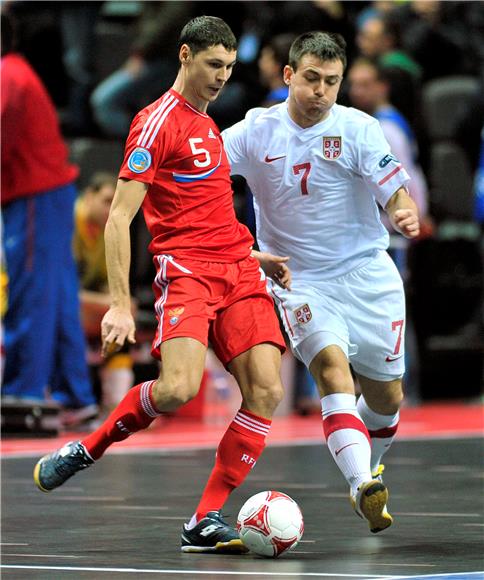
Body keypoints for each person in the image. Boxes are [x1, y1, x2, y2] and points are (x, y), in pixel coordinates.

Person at [33, 15, 291, 554]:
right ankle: (89, 447)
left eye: (229, 66)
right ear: (184, 56)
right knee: (177, 389)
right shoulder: (156, 124)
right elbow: (118, 217)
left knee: (266, 390)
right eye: (212, 65)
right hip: (188, 272)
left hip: (238, 269)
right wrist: (122, 307)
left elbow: (213, 211)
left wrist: (253, 254)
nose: (222, 76)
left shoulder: (209, 126)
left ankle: (204, 519)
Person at [222, 31, 420, 534]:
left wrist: (404, 214)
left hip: (367, 273)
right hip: (300, 278)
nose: (321, 91)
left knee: (387, 398)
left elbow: (396, 194)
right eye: (311, 79)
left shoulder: (359, 129)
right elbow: (201, 172)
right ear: (289, 76)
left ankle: (368, 464)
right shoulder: (254, 132)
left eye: (332, 82)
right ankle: (361, 486)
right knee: (332, 369)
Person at [1, 10, 98, 424]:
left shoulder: (8, 75)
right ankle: (75, 397)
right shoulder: (16, 71)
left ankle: (22, 394)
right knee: (58, 299)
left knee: (34, 294)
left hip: (35, 196)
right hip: (49, 194)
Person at [73, 172, 135, 422]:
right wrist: (108, 304)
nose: (112, 208)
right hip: (50, 303)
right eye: (107, 200)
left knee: (122, 322)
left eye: (115, 202)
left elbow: (110, 285)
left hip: (83, 302)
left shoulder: (107, 231)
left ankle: (116, 406)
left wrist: (119, 303)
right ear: (89, 196)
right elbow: (59, 291)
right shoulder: (67, 224)